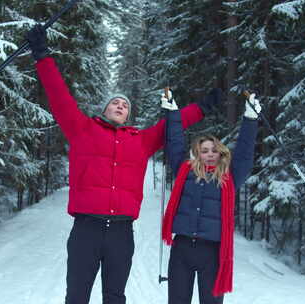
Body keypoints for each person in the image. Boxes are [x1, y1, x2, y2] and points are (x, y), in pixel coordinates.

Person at [25, 25, 221, 304]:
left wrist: (202, 108)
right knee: (76, 296)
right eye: (115, 103)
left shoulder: (140, 141)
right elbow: (59, 97)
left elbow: (172, 125)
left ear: (128, 114)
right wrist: (42, 55)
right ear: (104, 109)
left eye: (125, 105)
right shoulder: (82, 130)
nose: (120, 106)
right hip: (86, 230)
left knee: (115, 296)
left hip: (121, 232)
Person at [161, 90, 261, 304]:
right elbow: (175, 144)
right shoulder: (184, 171)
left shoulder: (229, 178)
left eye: (213, 150)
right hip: (183, 247)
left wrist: (251, 119)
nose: (209, 153)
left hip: (212, 252)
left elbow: (244, 154)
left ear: (221, 153)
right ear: (197, 153)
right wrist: (173, 115)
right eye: (204, 150)